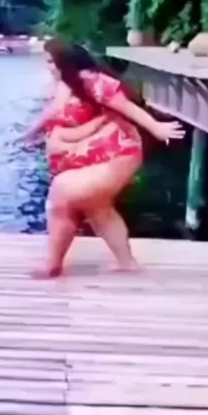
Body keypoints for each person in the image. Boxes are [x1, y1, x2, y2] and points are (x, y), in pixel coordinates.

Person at [20, 39, 185, 278]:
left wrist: (156, 127)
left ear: (65, 62)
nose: (47, 67)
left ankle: (53, 265)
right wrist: (32, 133)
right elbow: (54, 112)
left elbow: (128, 107)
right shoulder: (65, 83)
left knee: (61, 193)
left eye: (51, 62)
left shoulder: (93, 81)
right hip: (94, 152)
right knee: (98, 209)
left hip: (117, 152)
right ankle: (126, 262)